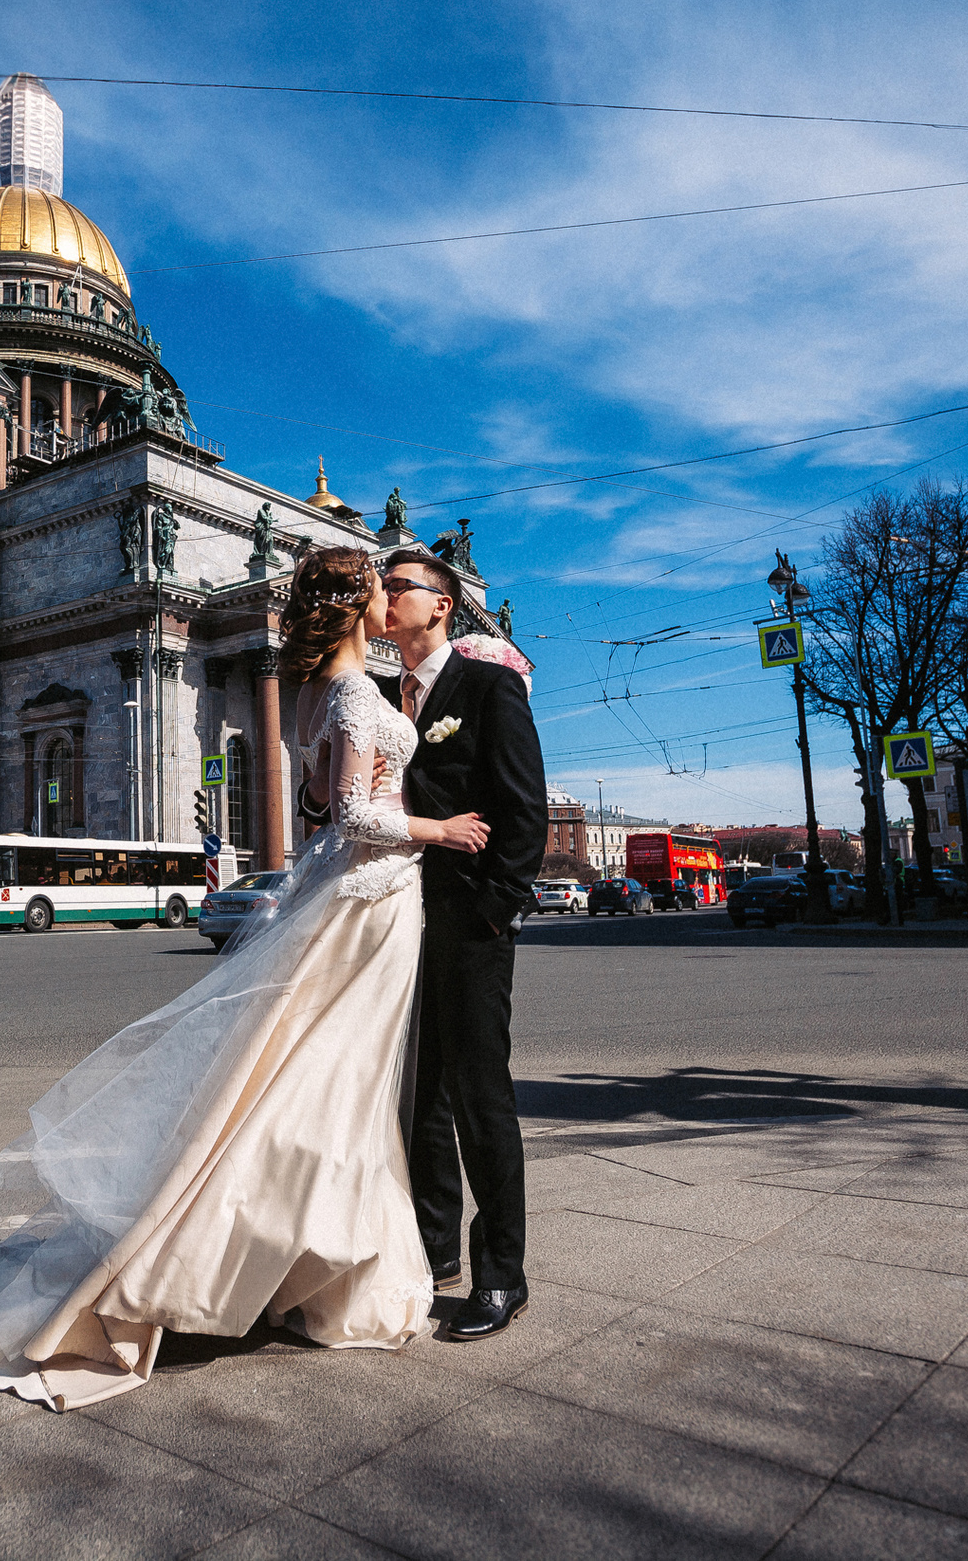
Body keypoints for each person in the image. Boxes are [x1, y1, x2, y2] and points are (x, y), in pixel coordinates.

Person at [0, 546, 492, 1411]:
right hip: (374, 898)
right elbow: (351, 815)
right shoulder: (354, 693)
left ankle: (288, 1252)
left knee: (306, 1077)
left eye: (402, 589)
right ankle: (300, 1264)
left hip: (350, 896)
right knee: (339, 1082)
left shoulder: (317, 694)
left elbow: (316, 803)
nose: (393, 599)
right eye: (381, 590)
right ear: (357, 609)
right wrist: (441, 826)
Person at [375, 548, 548, 1342]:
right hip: (399, 926)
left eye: (396, 585)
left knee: (482, 1099)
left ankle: (501, 1275)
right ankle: (434, 1244)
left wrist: (496, 911)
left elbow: (523, 808)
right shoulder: (384, 697)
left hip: (470, 925)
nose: (383, 596)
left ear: (442, 606)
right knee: (421, 1097)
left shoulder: (487, 687)